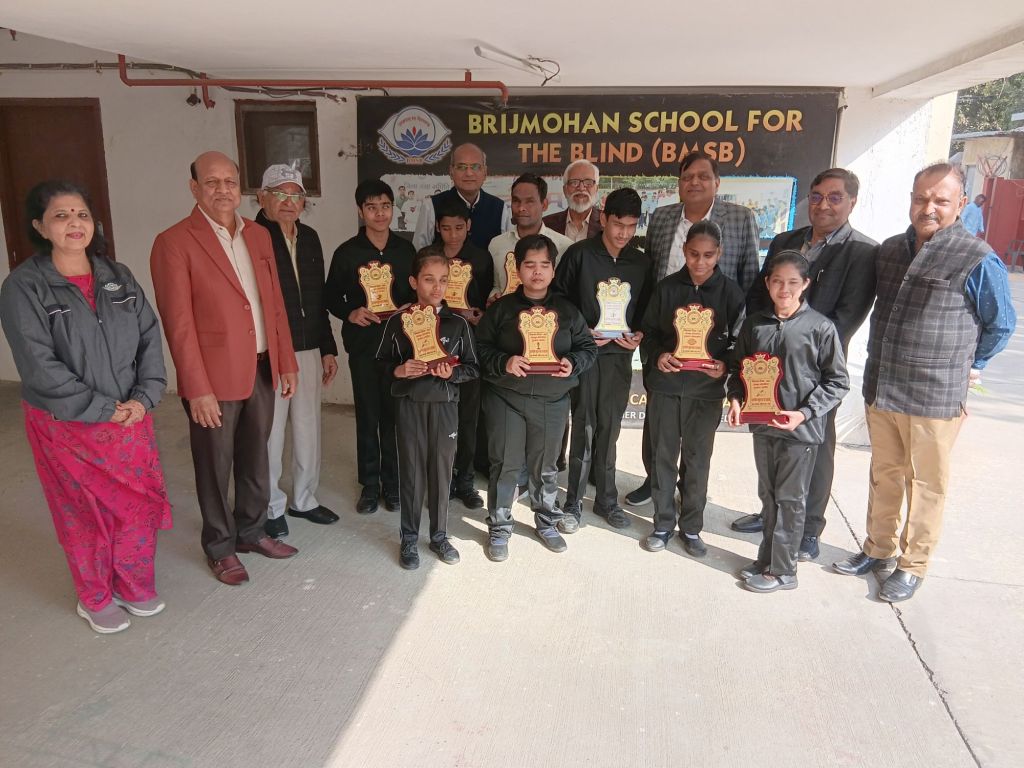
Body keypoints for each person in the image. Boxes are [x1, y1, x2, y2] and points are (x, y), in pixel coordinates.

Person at [833, 163, 1016, 602]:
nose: (928, 208)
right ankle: (877, 549)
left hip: (935, 395)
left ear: (960, 204)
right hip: (884, 385)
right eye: (921, 198)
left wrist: (973, 364)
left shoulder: (977, 257)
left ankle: (912, 565)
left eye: (940, 200)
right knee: (885, 474)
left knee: (926, 483)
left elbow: (1001, 323)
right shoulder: (890, 250)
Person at [1, 180, 171, 633]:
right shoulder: (24, 287)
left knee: (135, 506)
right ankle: (94, 595)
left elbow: (149, 337)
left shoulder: (118, 276)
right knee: (82, 513)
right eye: (60, 216)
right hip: (67, 425)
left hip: (130, 417)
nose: (74, 224)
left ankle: (134, 585)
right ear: (40, 227)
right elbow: (37, 364)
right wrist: (100, 407)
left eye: (81, 214)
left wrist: (145, 396)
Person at [152, 151, 300, 586]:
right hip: (212, 378)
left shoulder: (258, 234)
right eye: (212, 182)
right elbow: (178, 323)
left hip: (261, 366)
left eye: (230, 181)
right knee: (214, 465)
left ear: (241, 188)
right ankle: (219, 546)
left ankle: (251, 531)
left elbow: (274, 304)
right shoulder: (174, 241)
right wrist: (195, 387)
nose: (222, 190)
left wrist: (286, 360)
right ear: (194, 188)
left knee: (257, 456)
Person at [732, 168, 877, 559]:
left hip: (812, 372)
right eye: (816, 196)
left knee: (815, 447)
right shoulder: (786, 241)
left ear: (852, 202)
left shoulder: (863, 252)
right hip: (766, 368)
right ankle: (771, 514)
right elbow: (758, 297)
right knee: (771, 442)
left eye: (834, 197)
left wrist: (800, 351)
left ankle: (809, 527)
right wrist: (763, 347)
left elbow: (848, 316)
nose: (823, 204)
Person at [626, 151, 760, 506]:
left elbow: (749, 278)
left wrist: (735, 350)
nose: (695, 182)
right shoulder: (662, 217)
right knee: (659, 418)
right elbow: (651, 272)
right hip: (666, 337)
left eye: (703, 176)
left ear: (717, 182)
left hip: (712, 344)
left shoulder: (740, 218)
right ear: (679, 183)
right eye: (687, 177)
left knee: (699, 429)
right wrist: (653, 346)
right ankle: (655, 480)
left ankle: (691, 487)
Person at [727, 251, 850, 592]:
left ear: (806, 284)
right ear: (767, 283)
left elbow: (838, 382)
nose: (784, 289)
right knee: (768, 495)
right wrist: (735, 399)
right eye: (778, 281)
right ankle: (766, 558)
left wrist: (804, 413)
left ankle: (784, 570)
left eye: (793, 282)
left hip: (800, 431)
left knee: (791, 500)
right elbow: (738, 369)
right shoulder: (755, 324)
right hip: (762, 426)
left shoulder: (820, 328)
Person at [475, 234, 597, 561]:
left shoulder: (567, 311)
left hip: (552, 400)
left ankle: (546, 521)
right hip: (506, 397)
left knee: (545, 466)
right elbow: (480, 348)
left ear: (554, 270)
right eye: (530, 265)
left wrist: (573, 363)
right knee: (505, 464)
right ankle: (500, 526)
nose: (537, 272)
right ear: (517, 269)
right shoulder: (501, 310)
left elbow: (587, 347)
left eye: (544, 265)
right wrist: (504, 361)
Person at [639, 221, 745, 557]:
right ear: (684, 251)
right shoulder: (667, 288)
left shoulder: (731, 293)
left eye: (708, 255)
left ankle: (691, 527)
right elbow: (648, 333)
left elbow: (740, 343)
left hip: (706, 391)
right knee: (662, 456)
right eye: (694, 254)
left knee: (697, 462)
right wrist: (659, 356)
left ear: (720, 254)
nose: (700, 262)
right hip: (667, 387)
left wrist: (724, 364)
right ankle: (662, 524)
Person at [554, 188, 654, 531]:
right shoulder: (580, 255)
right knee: (584, 424)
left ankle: (606, 500)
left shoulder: (641, 262)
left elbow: (648, 307)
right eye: (617, 224)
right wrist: (580, 329)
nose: (623, 233)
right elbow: (559, 300)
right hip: (586, 353)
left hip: (619, 356)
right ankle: (573, 503)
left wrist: (639, 333)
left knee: (610, 428)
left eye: (631, 226)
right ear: (603, 218)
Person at [376, 246, 480, 569]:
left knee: (441, 472)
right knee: (411, 472)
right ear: (413, 281)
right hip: (409, 405)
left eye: (443, 280)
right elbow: (379, 364)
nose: (437, 287)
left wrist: (453, 374)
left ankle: (439, 536)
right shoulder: (397, 322)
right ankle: (409, 538)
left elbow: (473, 368)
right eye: (429, 279)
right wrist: (399, 370)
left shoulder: (457, 324)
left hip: (445, 406)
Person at [255, 164, 339, 539]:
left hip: (308, 347)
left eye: (295, 195)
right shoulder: (252, 237)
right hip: (271, 349)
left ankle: (304, 499)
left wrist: (327, 348)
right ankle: (270, 505)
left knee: (308, 427)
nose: (288, 202)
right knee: (271, 431)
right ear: (262, 198)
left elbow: (318, 299)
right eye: (279, 194)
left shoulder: (310, 238)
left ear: (304, 201)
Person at [325, 179, 416, 514]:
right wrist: (351, 312)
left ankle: (392, 484)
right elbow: (330, 296)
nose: (380, 214)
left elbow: (417, 292)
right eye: (372, 207)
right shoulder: (347, 253)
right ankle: (370, 484)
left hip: (399, 347)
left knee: (394, 417)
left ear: (393, 208)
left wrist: (412, 306)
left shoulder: (406, 251)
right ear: (360, 211)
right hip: (364, 346)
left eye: (385, 206)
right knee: (367, 415)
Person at [435, 197, 493, 509]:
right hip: (434, 344)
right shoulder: (429, 258)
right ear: (437, 228)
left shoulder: (481, 259)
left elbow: (487, 303)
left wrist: (479, 315)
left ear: (468, 226)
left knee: (469, 416)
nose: (453, 234)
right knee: (438, 416)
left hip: (469, 345)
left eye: (459, 227)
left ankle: (466, 481)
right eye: (446, 228)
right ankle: (441, 479)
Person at [488, 173, 574, 299]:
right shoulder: (496, 244)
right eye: (516, 201)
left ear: (544, 205)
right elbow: (496, 285)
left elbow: (568, 291)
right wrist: (493, 297)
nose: (521, 208)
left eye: (529, 202)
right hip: (505, 310)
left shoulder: (565, 246)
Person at [413, 143, 511, 250]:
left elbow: (507, 254)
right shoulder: (431, 206)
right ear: (451, 171)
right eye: (461, 167)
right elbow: (419, 253)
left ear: (485, 172)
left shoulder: (500, 208)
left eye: (475, 167)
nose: (469, 173)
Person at [542, 159, 603, 242]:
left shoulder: (607, 224)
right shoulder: (546, 225)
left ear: (596, 189)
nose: (581, 188)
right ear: (565, 190)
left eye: (588, 183)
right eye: (574, 182)